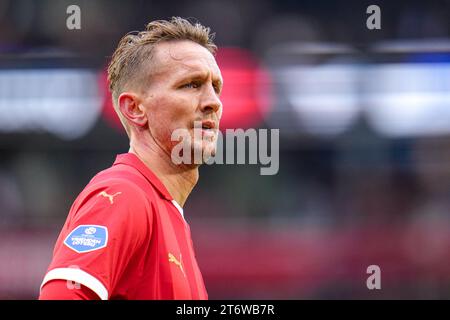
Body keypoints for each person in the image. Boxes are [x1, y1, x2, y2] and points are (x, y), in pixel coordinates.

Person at [39, 17, 223, 300]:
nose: (213, 102)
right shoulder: (123, 193)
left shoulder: (167, 213)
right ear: (135, 109)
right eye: (191, 84)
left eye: (216, 86)